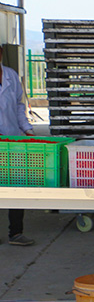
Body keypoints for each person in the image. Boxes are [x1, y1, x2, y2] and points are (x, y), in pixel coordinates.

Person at [0, 45, 35, 246]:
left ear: (1, 53)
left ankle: (16, 233)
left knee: (17, 185)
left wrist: (27, 130)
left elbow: (19, 106)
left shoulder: (11, 76)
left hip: (13, 140)